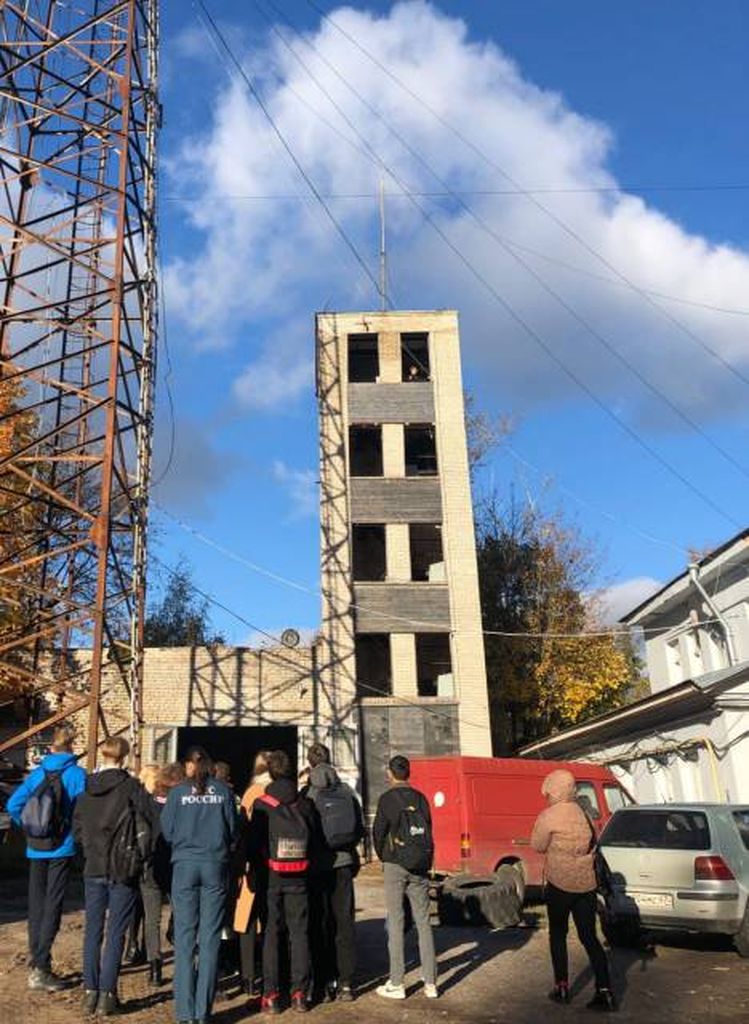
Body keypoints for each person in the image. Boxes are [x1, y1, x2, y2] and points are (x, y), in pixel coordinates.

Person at [73, 736, 159, 1017]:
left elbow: (77, 829)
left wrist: (90, 849)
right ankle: (107, 995)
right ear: (124, 757)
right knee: (116, 932)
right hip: (123, 867)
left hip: (93, 866)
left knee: (92, 930)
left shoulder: (86, 789)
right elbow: (152, 823)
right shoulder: (132, 787)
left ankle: (90, 992)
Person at [7, 724, 87, 992]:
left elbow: (13, 805)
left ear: (52, 748)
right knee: (53, 905)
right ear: (71, 747)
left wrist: (29, 827)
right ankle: (41, 967)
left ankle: (37, 962)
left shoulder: (37, 774)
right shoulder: (78, 775)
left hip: (35, 847)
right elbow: (82, 813)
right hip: (62, 848)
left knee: (36, 905)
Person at [162, 746, 237, 1024]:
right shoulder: (224, 792)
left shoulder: (177, 793)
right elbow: (232, 829)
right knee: (210, 937)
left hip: (184, 865)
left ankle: (184, 1012)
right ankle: (202, 1012)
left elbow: (167, 831)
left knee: (184, 939)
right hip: (214, 866)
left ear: (189, 765)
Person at [530, 768, 616, 1012]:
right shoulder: (583, 812)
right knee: (589, 937)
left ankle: (562, 987)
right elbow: (594, 841)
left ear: (554, 790)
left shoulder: (549, 815)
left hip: (559, 884)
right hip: (586, 884)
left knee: (558, 934)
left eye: (548, 792)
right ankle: (605, 991)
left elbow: (538, 845)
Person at [247, 749, 317, 1015]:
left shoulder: (262, 803)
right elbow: (315, 838)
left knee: (271, 934)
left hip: (271, 876)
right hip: (300, 875)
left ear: (271, 772)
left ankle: (271, 994)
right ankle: (300, 994)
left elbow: (254, 843)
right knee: (300, 934)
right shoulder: (305, 804)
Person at [372, 754, 437, 1001]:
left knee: (396, 921)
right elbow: (429, 829)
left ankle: (397, 982)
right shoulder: (421, 798)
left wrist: (385, 856)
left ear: (390, 773)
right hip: (420, 865)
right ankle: (431, 982)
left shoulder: (387, 799)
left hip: (395, 864)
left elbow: (378, 832)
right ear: (408, 773)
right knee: (424, 922)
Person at [304, 743, 364, 1003]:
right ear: (329, 760)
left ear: (310, 763)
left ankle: (322, 982)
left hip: (316, 868)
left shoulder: (307, 793)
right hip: (343, 865)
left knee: (319, 922)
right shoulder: (347, 791)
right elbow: (359, 829)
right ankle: (346, 983)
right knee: (344, 923)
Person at [233, 751, 272, 999]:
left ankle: (247, 976)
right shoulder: (279, 792)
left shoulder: (251, 793)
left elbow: (241, 827)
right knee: (271, 920)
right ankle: (271, 973)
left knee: (247, 920)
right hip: (275, 863)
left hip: (252, 863)